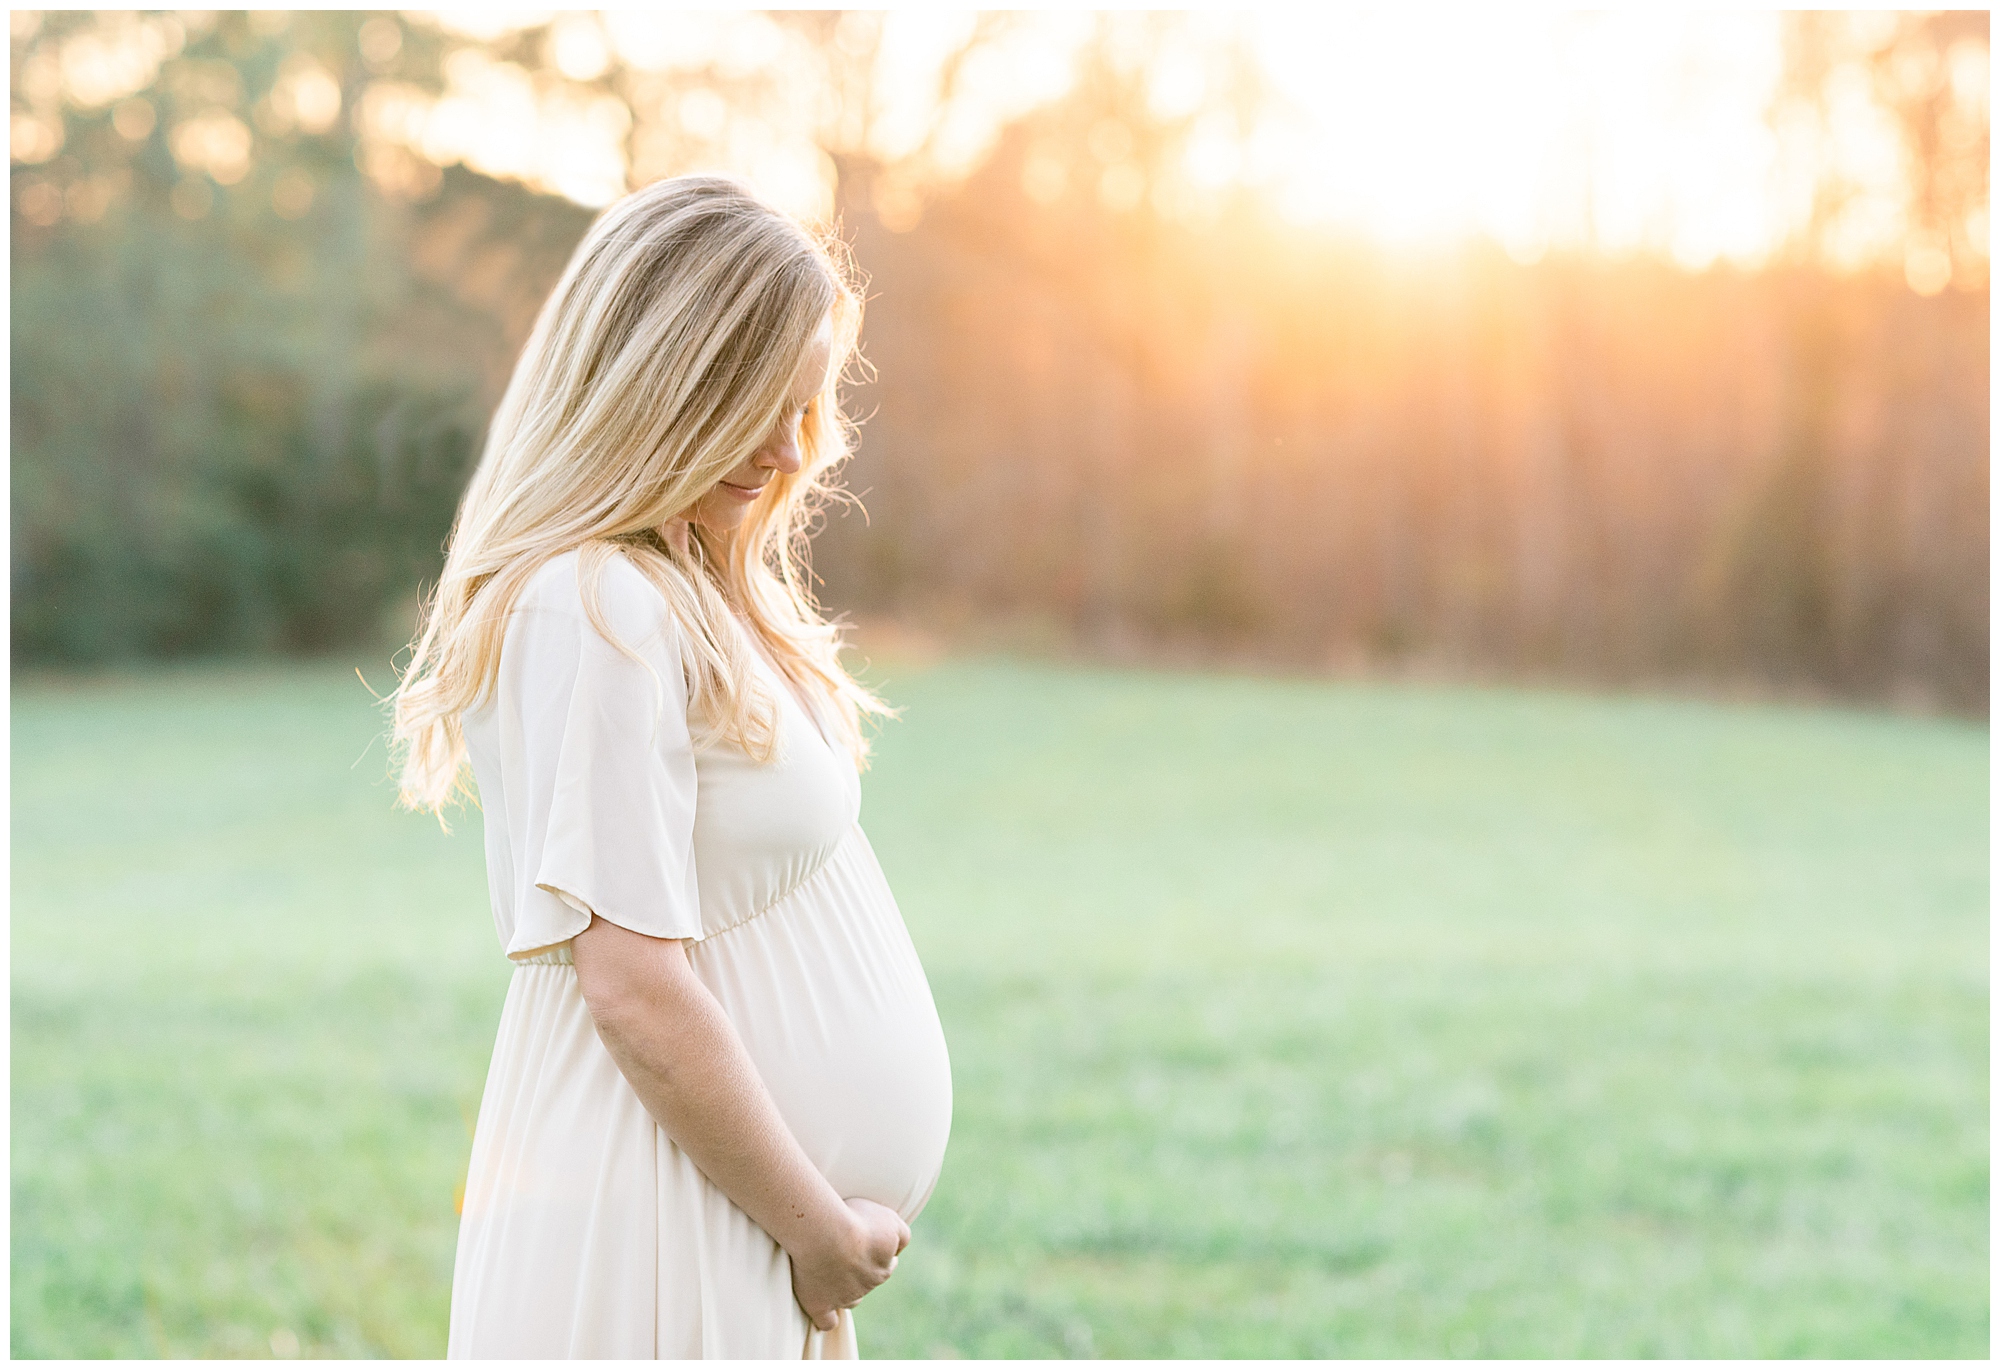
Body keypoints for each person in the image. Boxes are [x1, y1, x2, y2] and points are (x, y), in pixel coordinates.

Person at [390, 174, 953, 1359]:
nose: (794, 449)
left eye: (807, 406)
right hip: (661, 1213)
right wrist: (810, 1225)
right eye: (755, 405)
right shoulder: (586, 601)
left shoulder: (668, 586)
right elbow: (629, 982)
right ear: (659, 387)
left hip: (716, 1210)